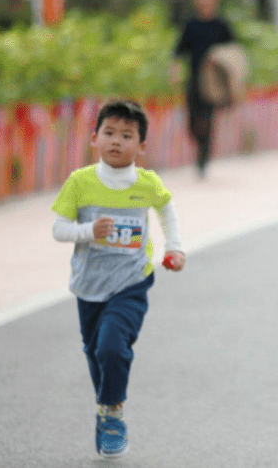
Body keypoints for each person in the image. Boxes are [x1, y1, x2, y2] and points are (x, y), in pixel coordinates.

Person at [51, 100, 186, 458]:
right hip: (88, 285)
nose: (116, 141)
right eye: (109, 133)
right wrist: (88, 230)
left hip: (131, 281)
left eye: (127, 135)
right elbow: (58, 229)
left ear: (141, 146)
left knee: (112, 346)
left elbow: (167, 210)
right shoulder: (80, 182)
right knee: (95, 351)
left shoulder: (147, 183)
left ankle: (112, 415)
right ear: (95, 138)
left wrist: (174, 248)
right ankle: (106, 406)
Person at [169, 0, 235, 178]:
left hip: (214, 83)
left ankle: (203, 159)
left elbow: (233, 54)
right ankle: (199, 146)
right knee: (192, 121)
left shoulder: (221, 26)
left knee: (207, 119)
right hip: (194, 79)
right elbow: (179, 51)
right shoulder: (191, 24)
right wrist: (174, 70)